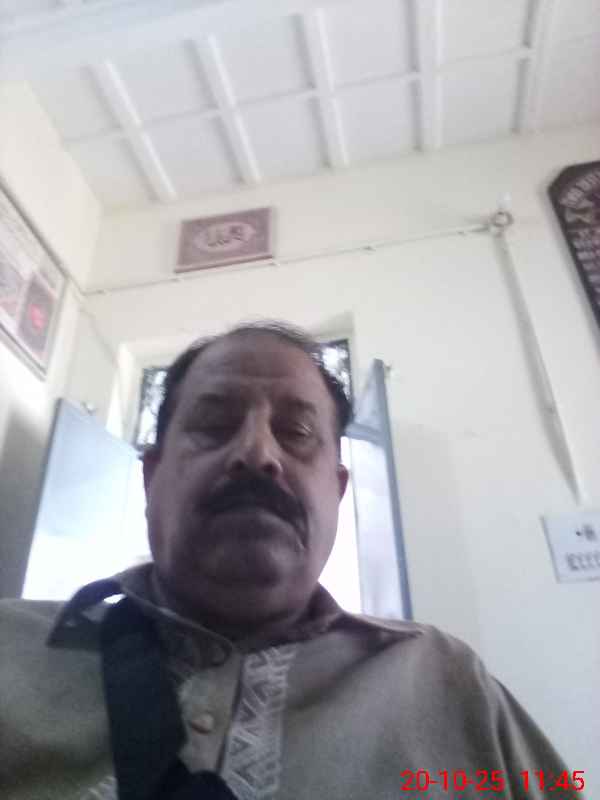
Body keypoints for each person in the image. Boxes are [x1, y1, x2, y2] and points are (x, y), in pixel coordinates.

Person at [0, 321, 583, 800]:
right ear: (151, 478)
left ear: (337, 490)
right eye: (214, 426)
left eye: (297, 431)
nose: (258, 453)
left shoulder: (448, 683)